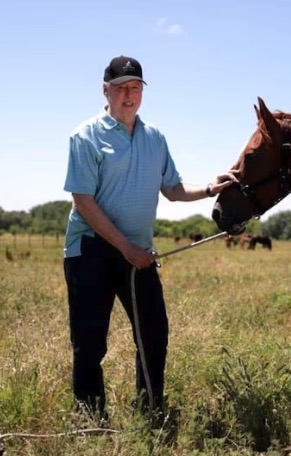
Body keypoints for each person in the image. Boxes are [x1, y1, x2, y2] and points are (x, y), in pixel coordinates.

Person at [63, 55, 236, 420]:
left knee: (154, 333)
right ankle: (91, 420)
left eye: (136, 88)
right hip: (91, 249)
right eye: (121, 87)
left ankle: (150, 412)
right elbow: (84, 201)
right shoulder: (85, 136)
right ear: (105, 90)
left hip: (138, 253)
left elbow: (172, 189)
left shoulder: (154, 137)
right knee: (90, 341)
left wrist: (209, 188)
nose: (129, 95)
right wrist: (125, 248)